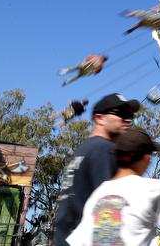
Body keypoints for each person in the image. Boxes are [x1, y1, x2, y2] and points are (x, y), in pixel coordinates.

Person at [54, 93, 139, 246]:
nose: (127, 119)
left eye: (130, 115)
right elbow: (107, 210)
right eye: (121, 114)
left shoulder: (84, 149)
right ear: (99, 118)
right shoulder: (104, 149)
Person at [66, 127, 160, 245]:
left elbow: (77, 241)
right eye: (149, 154)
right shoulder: (154, 188)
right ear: (146, 158)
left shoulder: (98, 194)